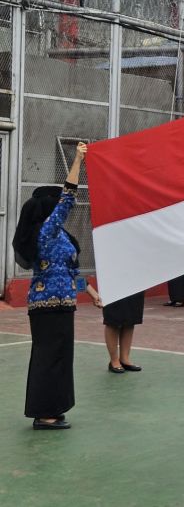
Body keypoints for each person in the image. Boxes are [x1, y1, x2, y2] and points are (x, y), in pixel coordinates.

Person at [13, 142, 101, 430]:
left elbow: (70, 270)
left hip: (63, 305)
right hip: (46, 306)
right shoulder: (45, 232)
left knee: (61, 356)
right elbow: (68, 198)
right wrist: (78, 161)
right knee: (48, 357)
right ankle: (43, 413)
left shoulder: (61, 238)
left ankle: (55, 406)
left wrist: (91, 293)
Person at [96, 287, 145, 373]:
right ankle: (114, 360)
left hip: (135, 281)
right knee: (113, 320)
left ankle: (124, 359)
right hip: (113, 283)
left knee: (131, 319)